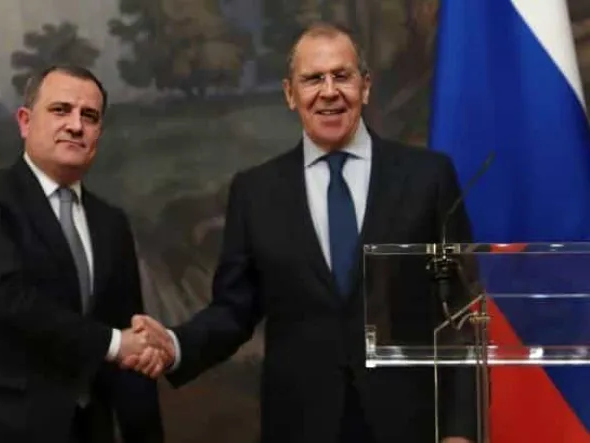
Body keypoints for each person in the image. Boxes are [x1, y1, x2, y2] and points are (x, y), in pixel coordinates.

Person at [126, 23, 478, 443]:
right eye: (313, 79)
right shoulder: (256, 192)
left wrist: (461, 430)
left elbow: (460, 313)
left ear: (365, 87)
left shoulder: (428, 178)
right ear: (290, 94)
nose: (329, 92)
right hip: (300, 423)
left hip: (409, 423)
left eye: (342, 75)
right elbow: (234, 310)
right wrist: (176, 344)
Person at [0, 65, 168, 443]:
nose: (76, 125)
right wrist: (113, 343)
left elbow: (131, 340)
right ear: (25, 122)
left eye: (89, 116)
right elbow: (5, 298)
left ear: (99, 133)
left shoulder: (111, 222)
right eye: (60, 110)